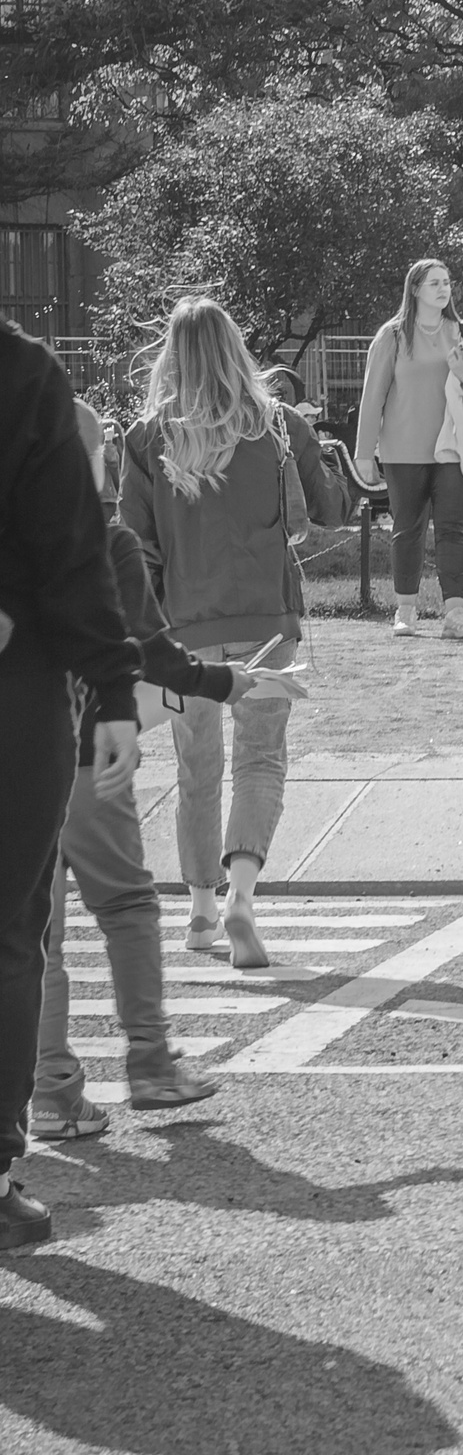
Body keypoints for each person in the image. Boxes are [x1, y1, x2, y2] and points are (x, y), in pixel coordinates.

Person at [33, 401, 306, 1141]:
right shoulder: (104, 545)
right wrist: (230, 683)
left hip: (12, 770)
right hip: (89, 758)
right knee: (124, 908)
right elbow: (156, 658)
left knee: (41, 936)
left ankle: (53, 1093)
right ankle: (150, 1065)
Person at [120, 297, 345, 972]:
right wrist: (318, 446)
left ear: (171, 355)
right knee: (260, 762)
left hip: (184, 628)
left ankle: (198, 909)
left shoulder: (146, 437)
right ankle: (243, 893)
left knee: (196, 770)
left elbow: (136, 548)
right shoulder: (277, 424)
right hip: (266, 621)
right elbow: (331, 510)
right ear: (236, 349)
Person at [0, 318, 142, 1252]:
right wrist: (114, 687)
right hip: (15, 685)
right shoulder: (21, 374)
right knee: (10, 932)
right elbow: (71, 548)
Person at [354, 257, 463, 639]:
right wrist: (364, 453)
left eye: (446, 282)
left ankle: (455, 615)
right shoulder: (392, 335)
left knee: (453, 530)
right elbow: (372, 397)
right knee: (407, 529)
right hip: (402, 451)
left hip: (453, 450)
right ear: (414, 289)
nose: (444, 289)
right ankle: (405, 612)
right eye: (434, 283)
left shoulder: (462, 332)